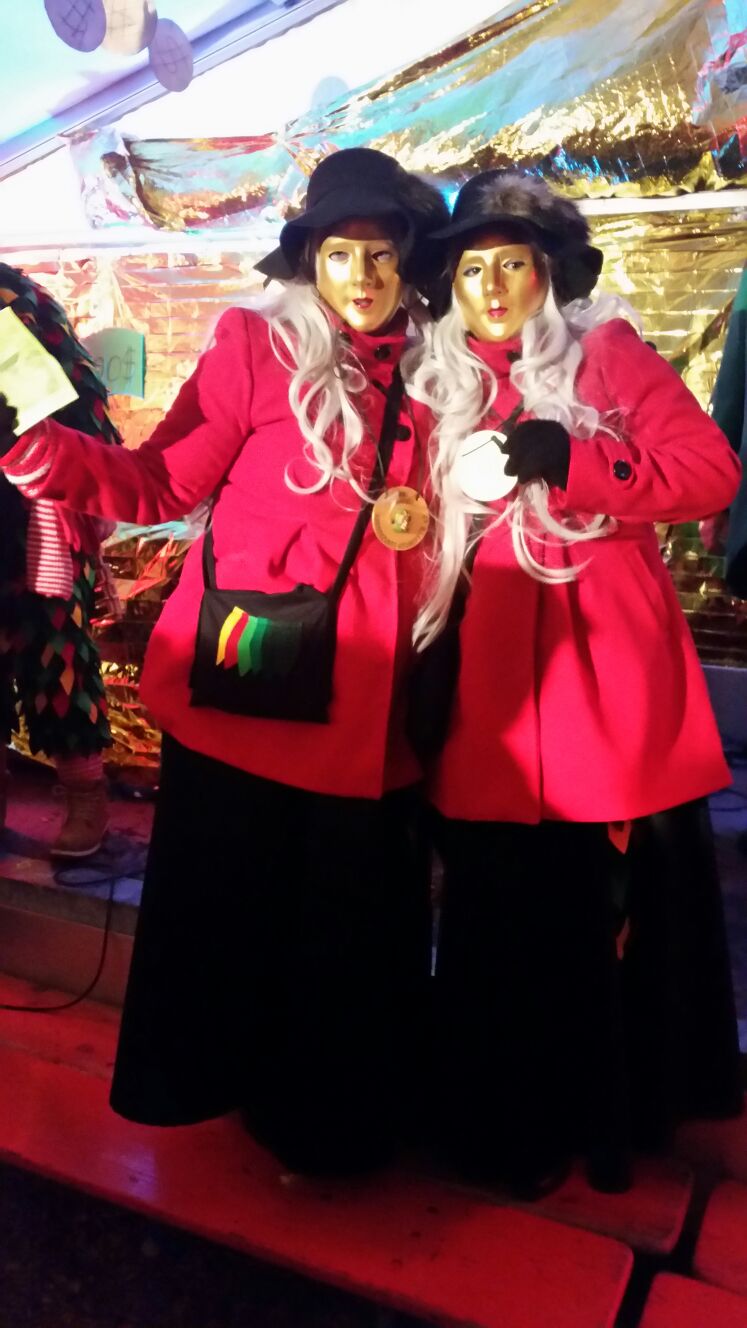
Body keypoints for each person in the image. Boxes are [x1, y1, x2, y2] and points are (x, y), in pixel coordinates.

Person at [0, 149, 448, 1176]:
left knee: (343, 929)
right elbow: (157, 483)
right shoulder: (256, 346)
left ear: (410, 260)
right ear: (309, 261)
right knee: (237, 911)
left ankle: (327, 1131)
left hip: (379, 705)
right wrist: (32, 451)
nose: (363, 275)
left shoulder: (449, 367)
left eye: (382, 253)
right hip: (254, 691)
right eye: (340, 253)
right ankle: (226, 1096)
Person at [409, 170, 743, 1198]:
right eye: (471, 268)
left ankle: (605, 1116)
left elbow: (711, 471)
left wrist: (580, 459)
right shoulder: (437, 378)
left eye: (511, 264)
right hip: (488, 674)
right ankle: (505, 1116)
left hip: (599, 676)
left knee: (598, 907)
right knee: (498, 902)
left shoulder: (607, 355)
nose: (491, 286)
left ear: (548, 275)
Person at [0, 263, 119, 857]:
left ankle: (85, 795)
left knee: (58, 652)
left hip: (39, 506)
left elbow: (84, 416)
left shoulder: (19, 299)